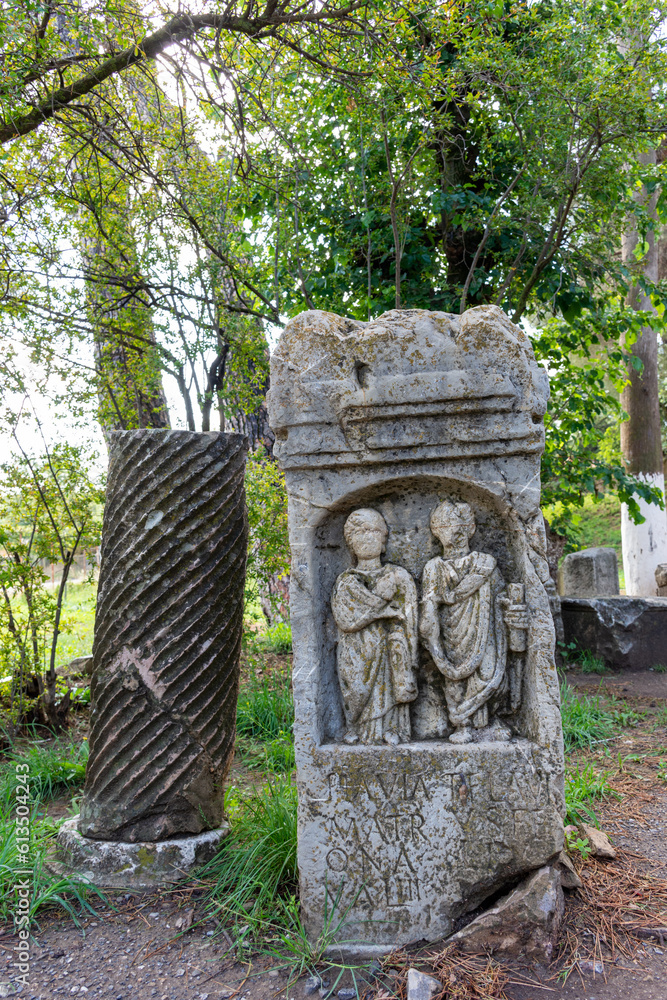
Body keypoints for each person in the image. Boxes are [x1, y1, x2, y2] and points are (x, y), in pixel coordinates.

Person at [420, 500, 527, 743]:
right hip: (451, 631)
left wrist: (510, 607)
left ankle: (488, 721)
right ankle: (463, 724)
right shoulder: (433, 568)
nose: (453, 531)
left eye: (459, 525)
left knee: (490, 674)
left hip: (486, 628)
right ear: (436, 530)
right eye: (445, 525)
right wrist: (429, 632)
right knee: (454, 680)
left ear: (470, 529)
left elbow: (500, 593)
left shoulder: (485, 564)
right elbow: (428, 604)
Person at [332, 508, 419, 745]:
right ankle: (356, 726)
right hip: (356, 651)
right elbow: (345, 620)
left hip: (390, 648)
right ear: (350, 542)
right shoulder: (347, 581)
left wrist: (405, 643)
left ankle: (393, 728)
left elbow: (409, 617)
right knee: (357, 689)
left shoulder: (398, 575)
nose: (366, 537)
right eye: (358, 532)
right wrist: (380, 606)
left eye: (372, 531)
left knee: (390, 681)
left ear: (383, 538)